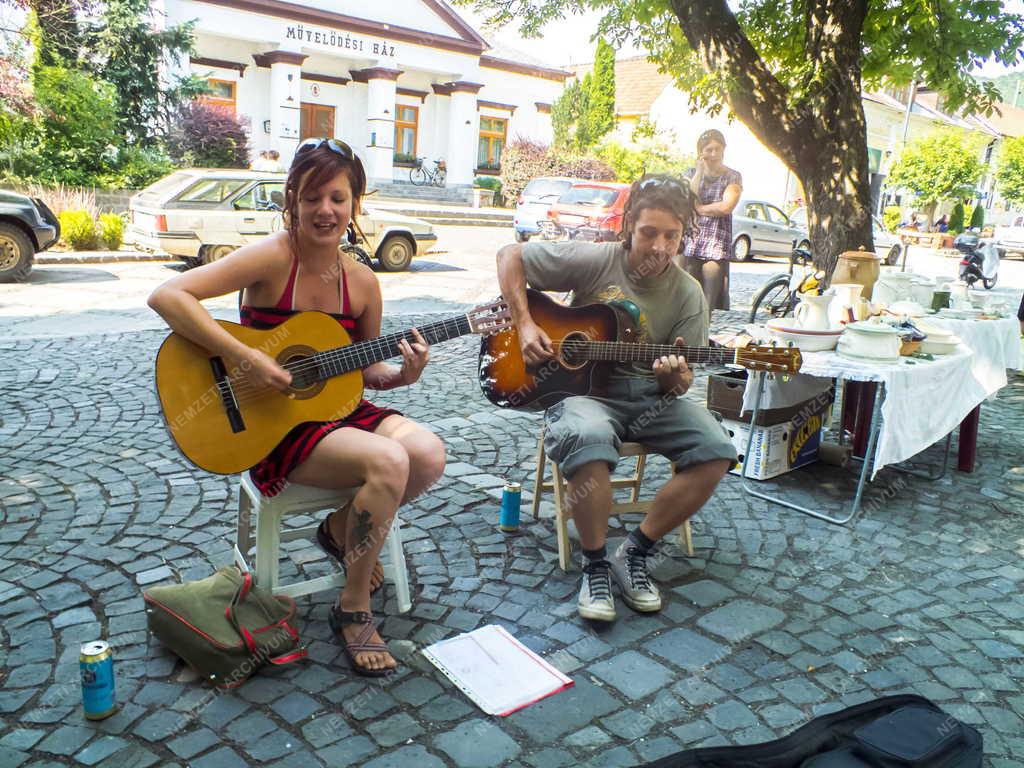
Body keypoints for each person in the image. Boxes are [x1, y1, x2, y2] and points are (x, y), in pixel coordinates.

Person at [148, 138, 445, 676]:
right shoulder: (273, 257)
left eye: (338, 197)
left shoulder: (361, 282)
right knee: (390, 461)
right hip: (273, 424)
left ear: (355, 203)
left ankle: (338, 530)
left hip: (339, 412)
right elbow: (169, 297)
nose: (325, 210)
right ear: (293, 198)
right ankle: (353, 609)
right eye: (312, 197)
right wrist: (248, 358)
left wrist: (405, 373)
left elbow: (366, 369)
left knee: (426, 453)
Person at [495, 174, 737, 623]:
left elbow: (680, 384)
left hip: (649, 397)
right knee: (588, 438)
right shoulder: (596, 260)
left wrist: (674, 379)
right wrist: (526, 324)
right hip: (582, 394)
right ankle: (595, 564)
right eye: (649, 233)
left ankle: (634, 552)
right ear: (628, 226)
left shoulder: (688, 293)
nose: (660, 247)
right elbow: (510, 255)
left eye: (672, 236)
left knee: (717, 450)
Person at [681, 129, 742, 313]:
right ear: (701, 152)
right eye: (709, 149)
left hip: (715, 243)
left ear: (724, 149)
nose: (714, 154)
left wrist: (699, 209)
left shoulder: (733, 176)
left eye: (717, 149)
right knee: (687, 298)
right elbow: (687, 199)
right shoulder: (690, 173)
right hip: (691, 242)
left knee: (708, 301)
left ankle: (702, 337)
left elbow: (726, 206)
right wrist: (699, 172)